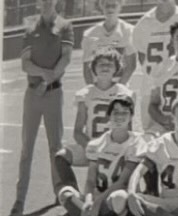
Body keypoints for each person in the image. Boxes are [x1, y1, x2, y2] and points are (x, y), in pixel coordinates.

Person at [12, 0, 74, 216]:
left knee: (55, 147)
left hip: (53, 93)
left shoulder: (66, 25)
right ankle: (19, 201)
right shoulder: (30, 25)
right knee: (26, 148)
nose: (47, 0)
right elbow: (24, 63)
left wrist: (46, 82)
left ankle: (59, 195)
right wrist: (41, 77)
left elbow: (65, 59)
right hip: (32, 95)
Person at [52, 96, 144, 216]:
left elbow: (122, 182)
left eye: (125, 112)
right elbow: (90, 180)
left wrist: (98, 201)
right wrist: (89, 200)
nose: (120, 116)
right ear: (109, 116)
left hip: (112, 199)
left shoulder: (136, 142)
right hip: (97, 197)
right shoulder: (96, 144)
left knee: (120, 197)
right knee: (65, 194)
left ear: (131, 116)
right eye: (116, 112)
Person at [54, 49, 135, 189]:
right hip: (91, 145)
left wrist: (114, 149)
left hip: (117, 147)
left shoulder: (124, 93)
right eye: (101, 64)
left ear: (116, 68)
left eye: (109, 64)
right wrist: (92, 147)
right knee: (61, 156)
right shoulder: (85, 94)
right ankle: (73, 194)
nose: (105, 67)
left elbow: (129, 129)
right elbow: (78, 132)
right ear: (93, 68)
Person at [130, 0, 178, 131]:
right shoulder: (144, 23)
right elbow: (142, 56)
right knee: (150, 132)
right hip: (151, 83)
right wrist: (154, 74)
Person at [81, 0, 136, 85]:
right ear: (101, 7)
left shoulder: (128, 31)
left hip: (120, 89)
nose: (110, 9)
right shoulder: (90, 34)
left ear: (120, 6)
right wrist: (93, 90)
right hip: (98, 88)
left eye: (114, 5)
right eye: (107, 5)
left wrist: (119, 89)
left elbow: (131, 65)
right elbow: (87, 69)